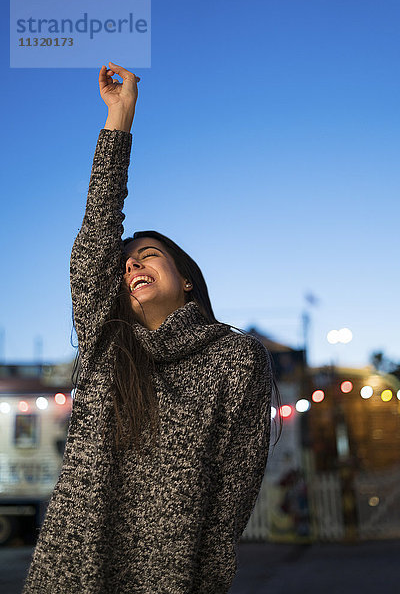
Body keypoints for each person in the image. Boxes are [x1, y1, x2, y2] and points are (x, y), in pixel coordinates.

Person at [22, 62, 282, 594]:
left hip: (170, 571)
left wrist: (208, 574)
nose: (133, 266)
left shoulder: (237, 356)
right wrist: (120, 118)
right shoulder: (105, 342)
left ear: (186, 280)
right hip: (75, 563)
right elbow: (98, 228)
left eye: (148, 255)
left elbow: (237, 481)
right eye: (124, 265)